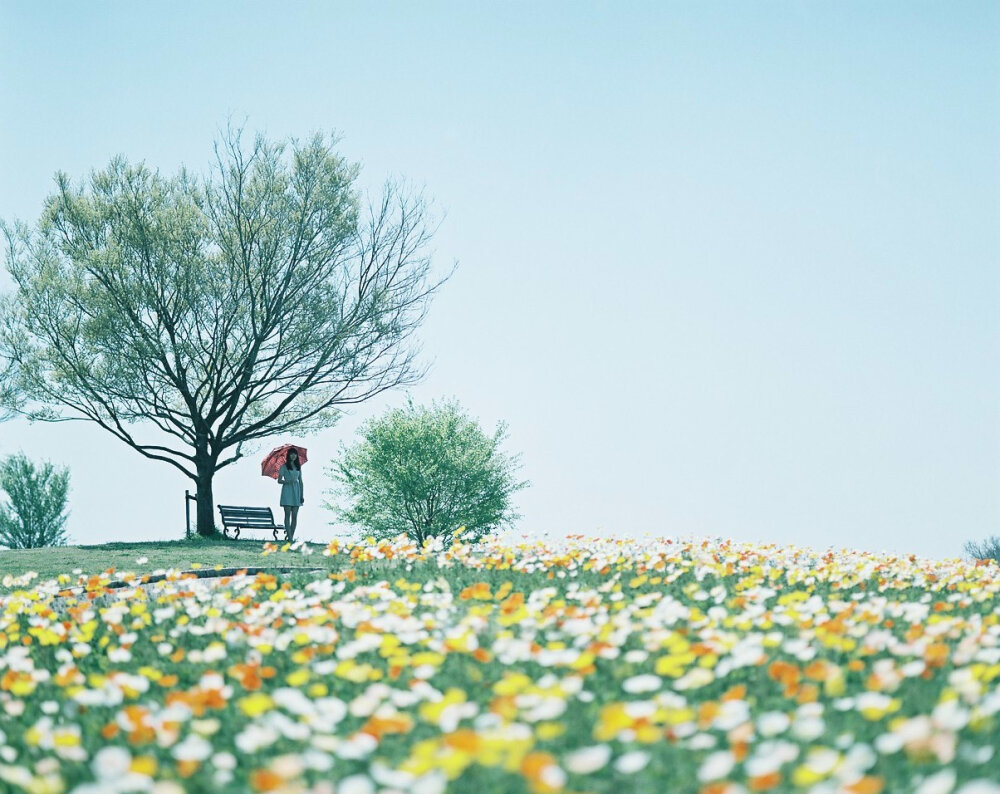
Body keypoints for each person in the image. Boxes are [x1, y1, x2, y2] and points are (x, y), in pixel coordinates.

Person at [277, 448, 304, 541]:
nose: (293, 456)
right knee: (287, 514)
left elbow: (301, 482)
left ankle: (290, 537)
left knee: (295, 516)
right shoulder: (284, 467)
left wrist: (301, 495)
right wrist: (287, 481)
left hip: (296, 491)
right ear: (288, 455)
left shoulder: (298, 467)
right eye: (291, 454)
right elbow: (279, 480)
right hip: (287, 491)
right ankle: (290, 538)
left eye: (295, 454)